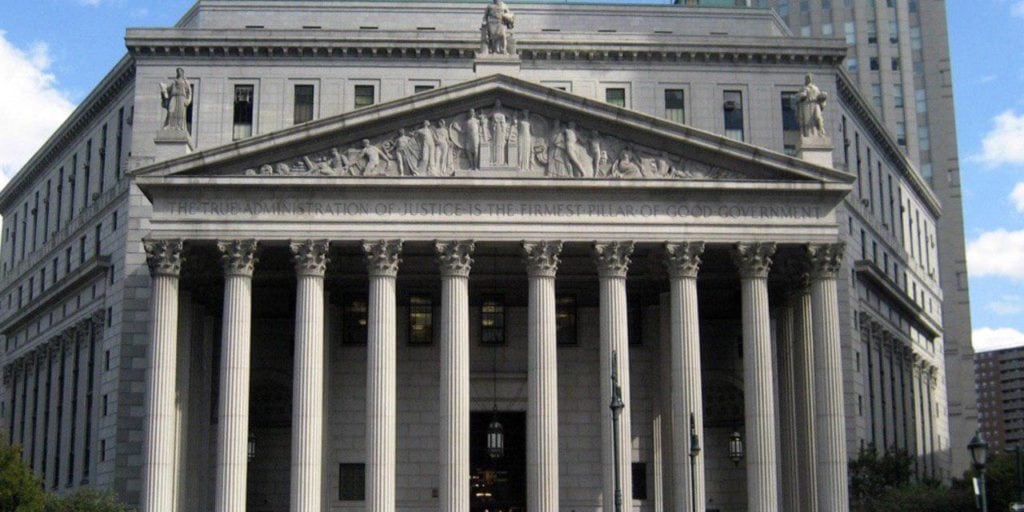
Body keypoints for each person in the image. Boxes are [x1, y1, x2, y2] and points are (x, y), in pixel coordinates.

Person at [795, 73, 828, 138]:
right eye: (807, 78)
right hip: (806, 105)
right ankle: (807, 134)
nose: (808, 79)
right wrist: (802, 96)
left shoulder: (816, 88)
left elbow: (820, 97)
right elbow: (798, 97)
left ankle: (821, 132)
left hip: (815, 104)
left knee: (818, 117)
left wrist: (823, 96)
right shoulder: (803, 88)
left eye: (810, 78)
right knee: (807, 120)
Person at [159, 68, 192, 132]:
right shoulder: (174, 82)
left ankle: (180, 126)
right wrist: (163, 90)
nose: (178, 72)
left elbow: (189, 92)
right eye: (177, 71)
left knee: (180, 113)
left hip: (181, 97)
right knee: (170, 110)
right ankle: (169, 125)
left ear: (182, 72)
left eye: (180, 71)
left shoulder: (185, 81)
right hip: (174, 97)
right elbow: (168, 89)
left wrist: (189, 100)